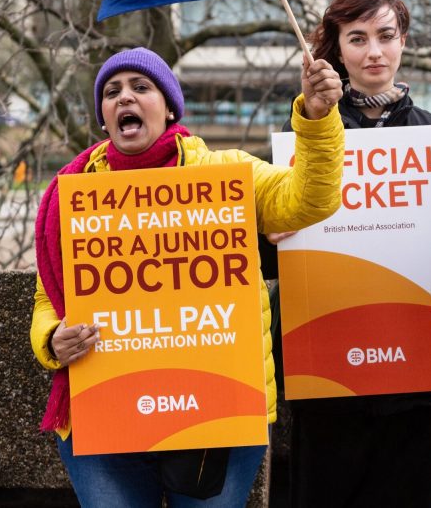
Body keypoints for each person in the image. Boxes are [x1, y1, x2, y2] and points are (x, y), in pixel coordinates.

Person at [29, 47, 345, 506]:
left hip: (217, 417)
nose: (125, 99)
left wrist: (316, 119)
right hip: (104, 412)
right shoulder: (71, 194)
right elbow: (46, 300)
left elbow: (309, 200)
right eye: (112, 92)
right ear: (103, 116)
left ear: (170, 107)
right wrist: (53, 339)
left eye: (141, 88)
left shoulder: (226, 174)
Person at [264, 0, 431, 507]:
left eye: (386, 35)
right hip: (328, 372)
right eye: (357, 38)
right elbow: (266, 250)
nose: (374, 51)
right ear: (336, 50)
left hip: (421, 372)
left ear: (404, 41)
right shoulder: (306, 141)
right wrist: (270, 233)